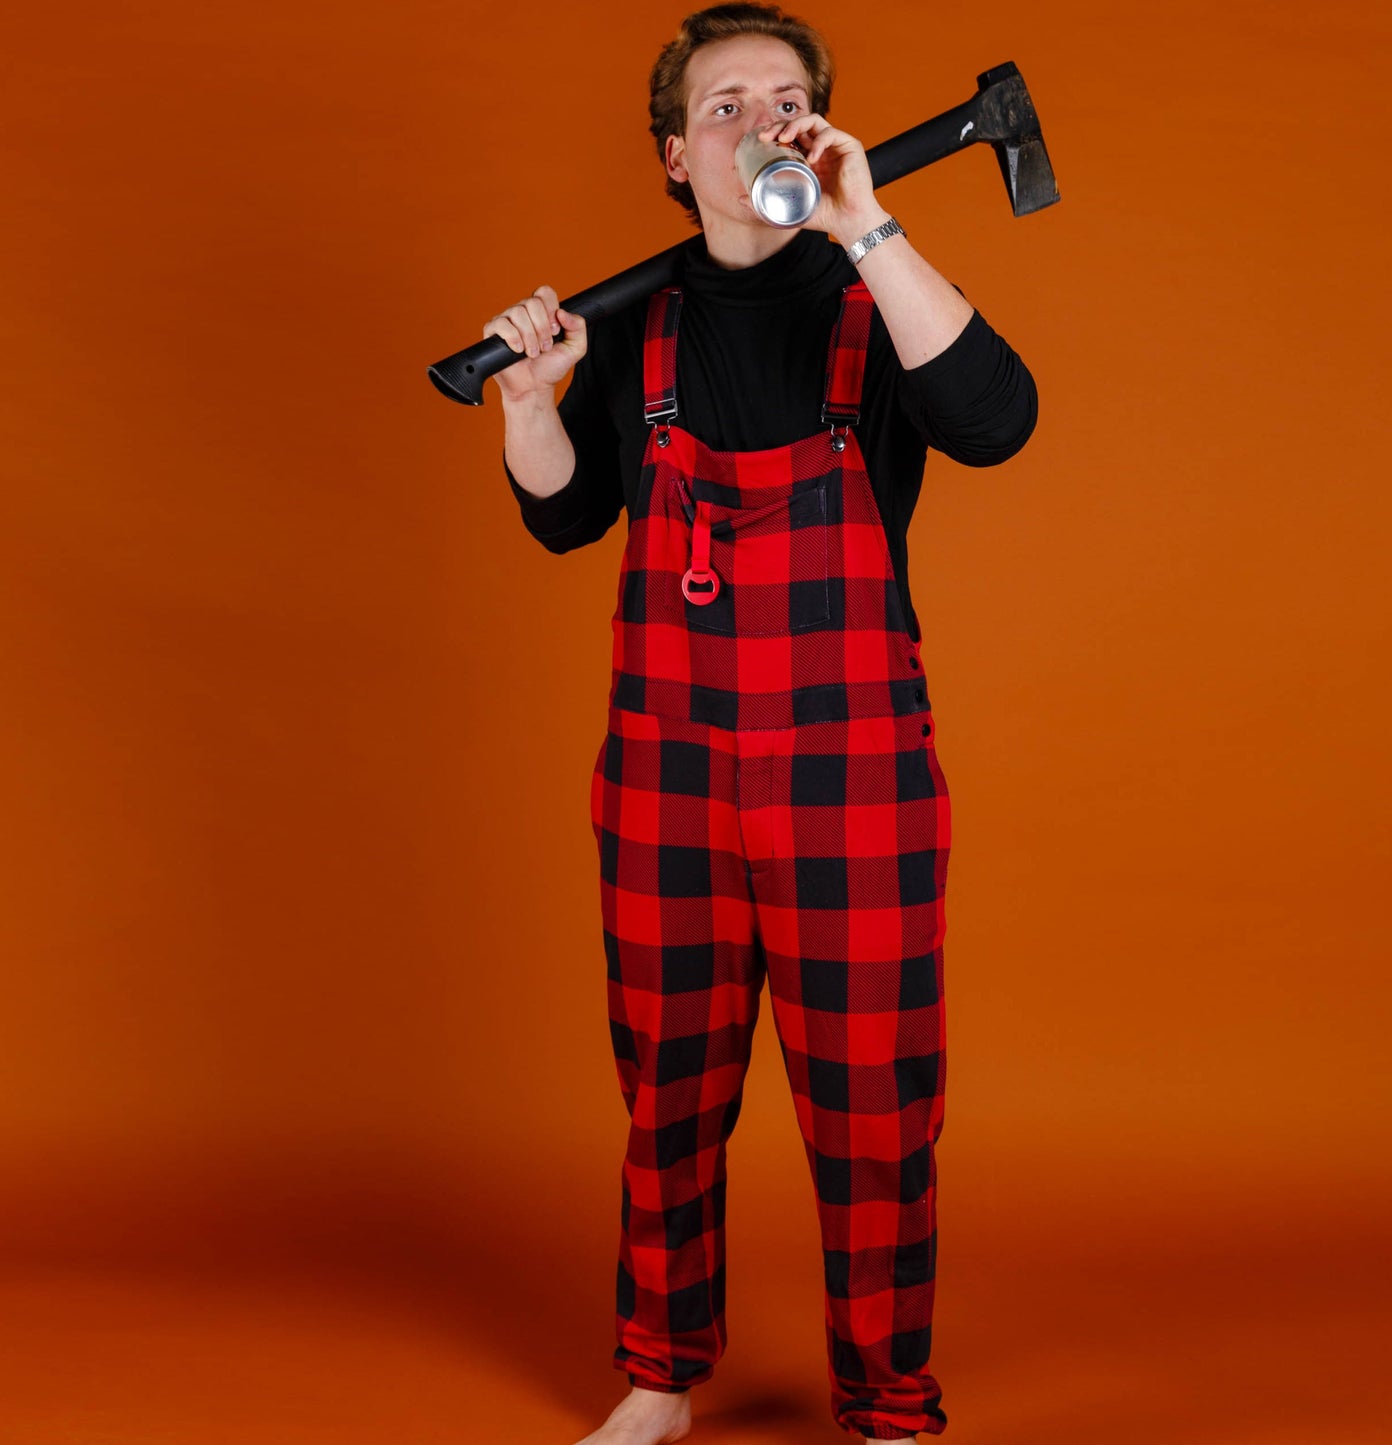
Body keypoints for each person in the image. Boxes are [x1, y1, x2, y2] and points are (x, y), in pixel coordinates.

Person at [485, 6, 1037, 1444]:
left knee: (873, 1103)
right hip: (666, 770)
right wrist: (531, 404)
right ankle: (660, 1379)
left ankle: (889, 1401)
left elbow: (996, 420)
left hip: (853, 770)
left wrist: (867, 223)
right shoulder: (632, 324)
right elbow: (565, 517)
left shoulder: (879, 295)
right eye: (723, 105)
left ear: (821, 129)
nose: (758, 122)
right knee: (666, 1086)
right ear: (678, 155)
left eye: (786, 99)